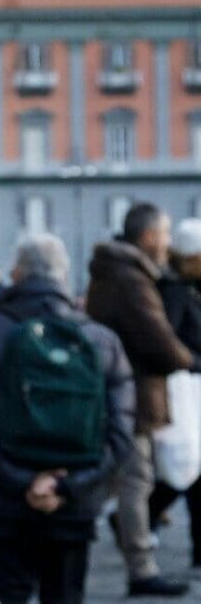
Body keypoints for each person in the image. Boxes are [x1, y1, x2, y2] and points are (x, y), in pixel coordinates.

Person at [0, 234, 135, 603]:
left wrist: (24, 482)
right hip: (73, 505)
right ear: (64, 276)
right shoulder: (101, 339)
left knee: (2, 595)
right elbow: (121, 429)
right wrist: (68, 486)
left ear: (16, 274)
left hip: (1, 504)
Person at [86, 202, 195, 597]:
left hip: (126, 390)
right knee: (137, 478)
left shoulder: (119, 272)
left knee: (120, 478)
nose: (168, 243)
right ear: (149, 236)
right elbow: (158, 338)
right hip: (132, 394)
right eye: (164, 234)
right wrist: (187, 359)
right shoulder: (130, 278)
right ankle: (141, 567)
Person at [149, 217, 201, 567]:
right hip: (186, 390)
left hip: (193, 387)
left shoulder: (189, 287)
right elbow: (170, 343)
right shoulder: (174, 290)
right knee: (187, 466)